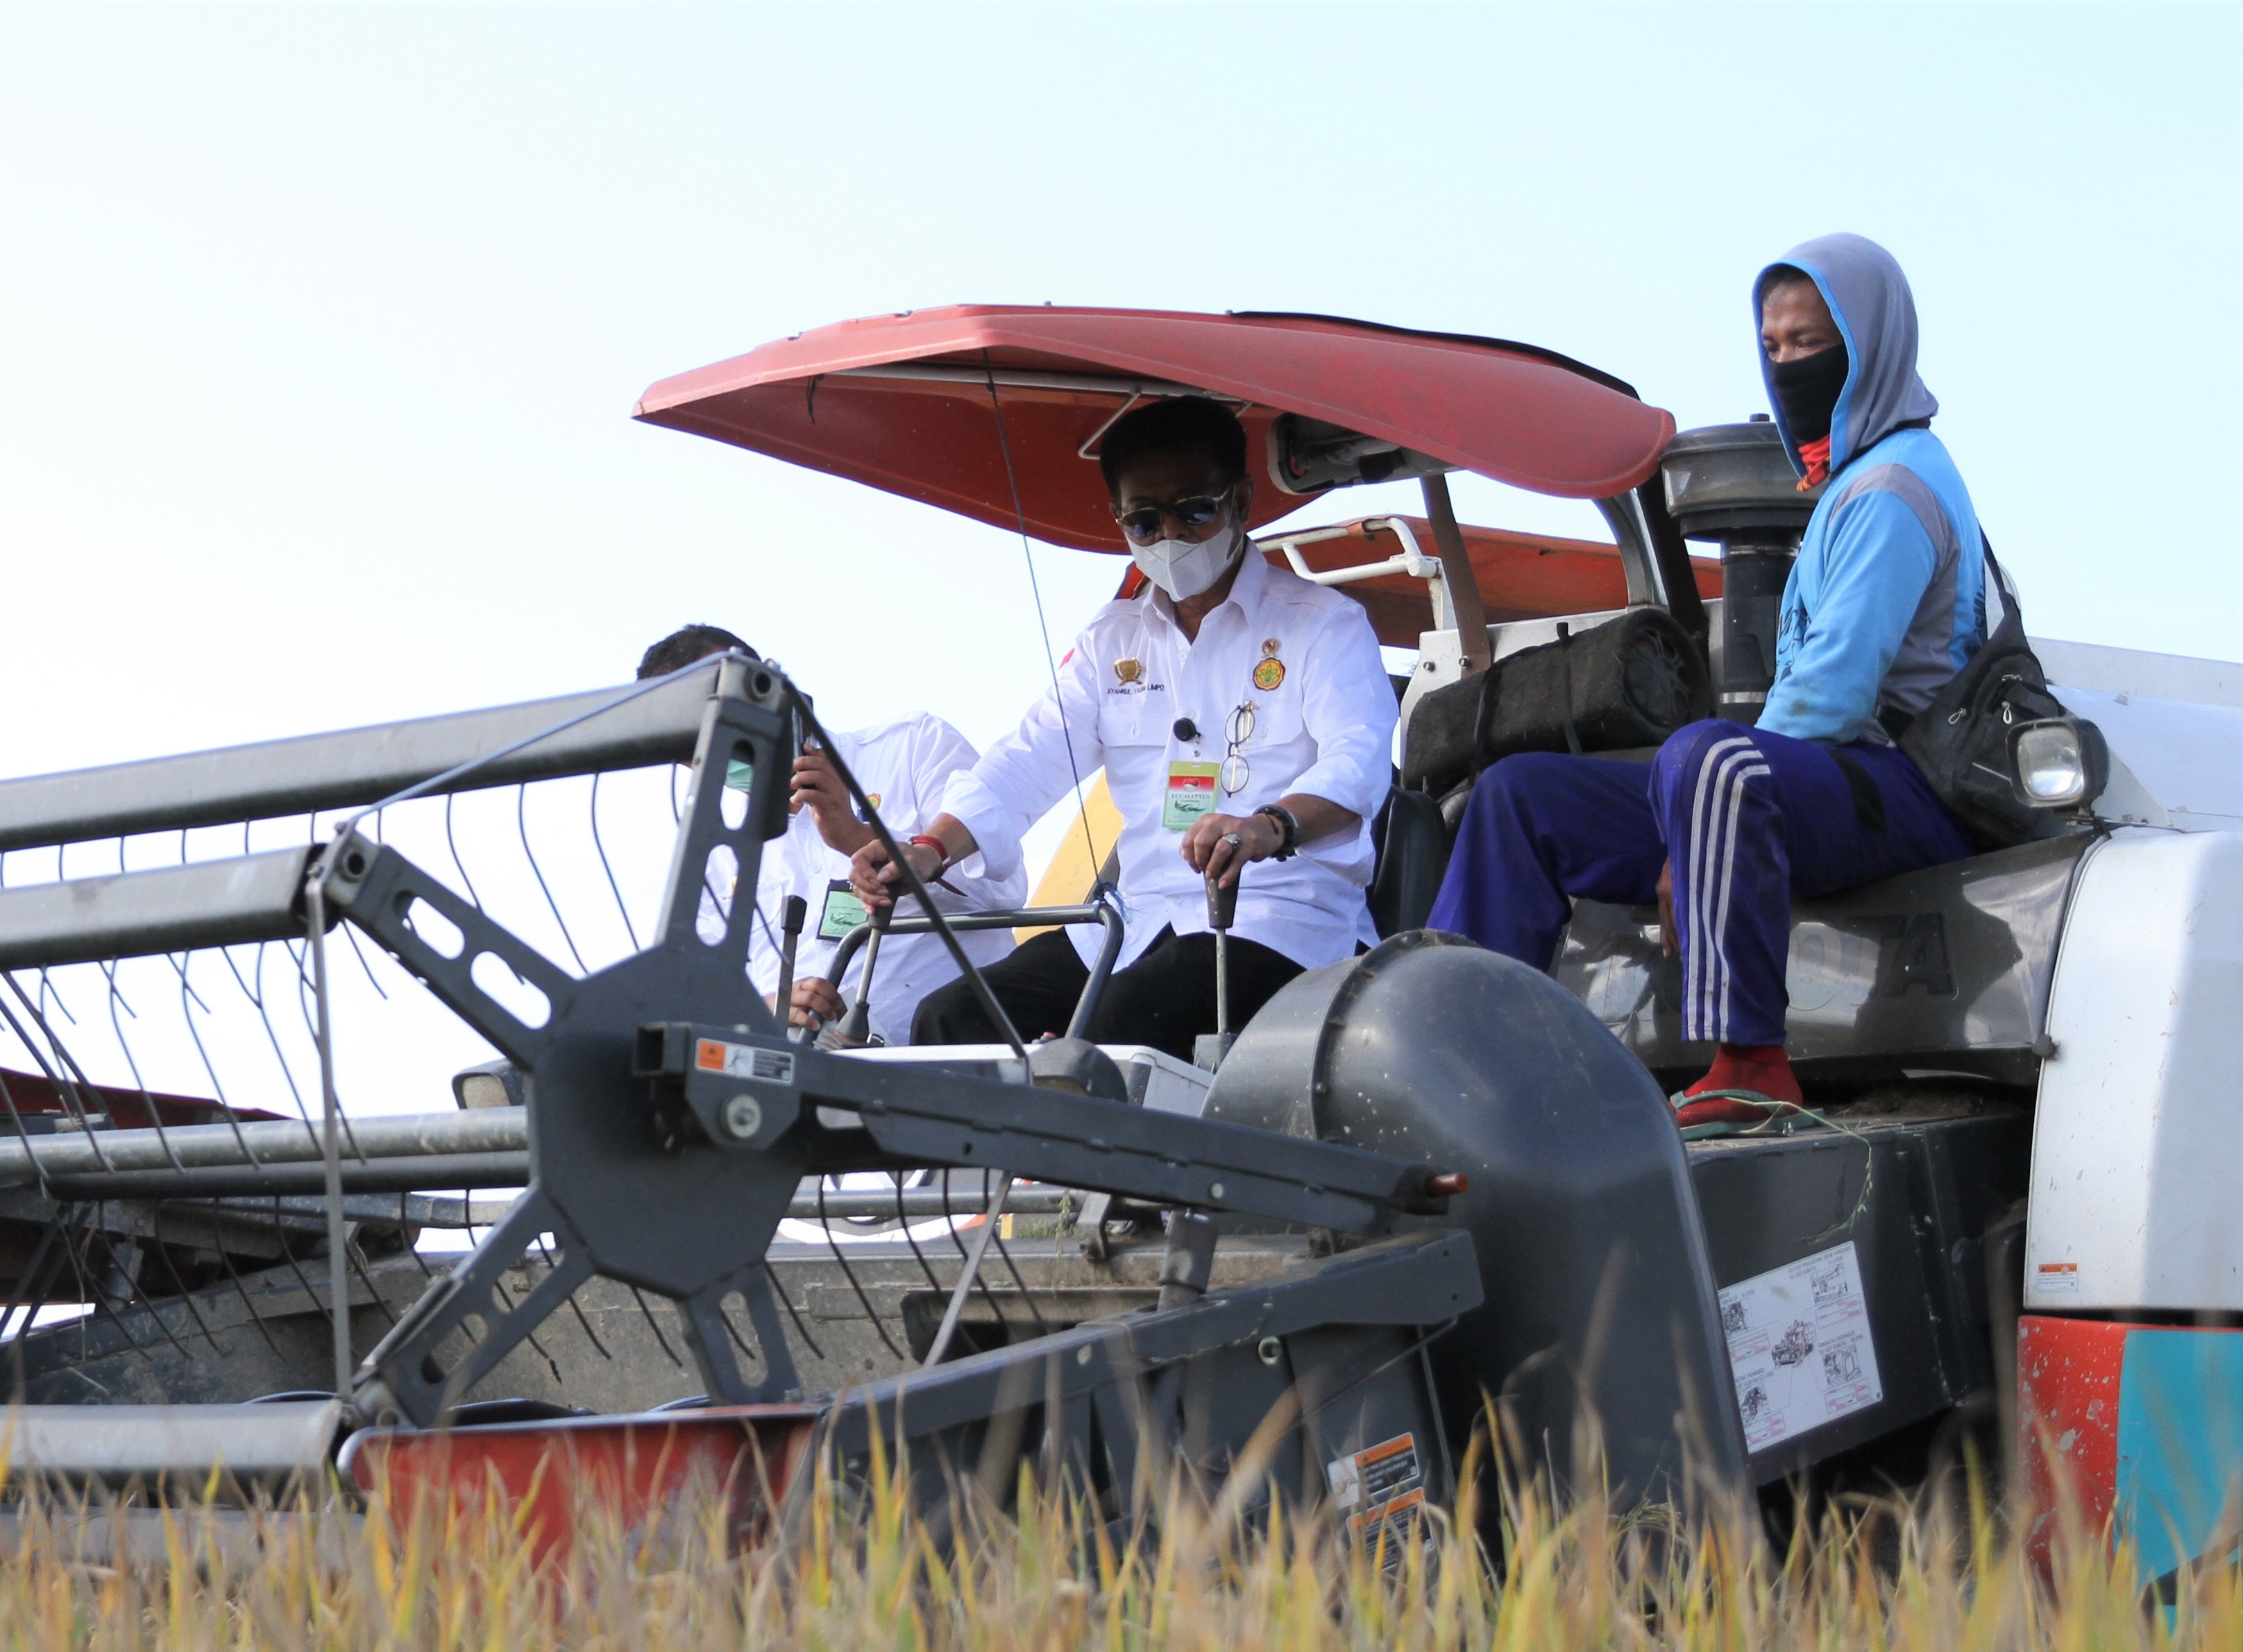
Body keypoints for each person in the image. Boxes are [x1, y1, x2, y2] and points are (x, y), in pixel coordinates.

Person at [1425, 235, 1981, 1129]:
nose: (1790, 364)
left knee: (1711, 760)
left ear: (1871, 346)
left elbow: (1834, 694)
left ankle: (1749, 1059)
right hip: (1818, 780)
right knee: (1519, 795)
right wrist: (1691, 823)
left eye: (1812, 343)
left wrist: (1696, 831)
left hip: (1902, 786)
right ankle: (1458, 1055)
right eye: (1775, 347)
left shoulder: (1893, 487)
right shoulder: (1841, 485)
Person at [848, 397, 1398, 1057]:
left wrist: (1266, 826)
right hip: (1132, 923)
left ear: (1242, 501)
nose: (1170, 536)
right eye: (1143, 521)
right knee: (952, 1019)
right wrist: (929, 849)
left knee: (1120, 1023)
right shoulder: (1111, 640)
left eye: (1194, 511)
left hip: (1280, 919)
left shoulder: (1323, 622)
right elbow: (1027, 758)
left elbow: (1358, 761)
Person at [637, 624, 1022, 1039]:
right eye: (691, 745)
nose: (714, 748)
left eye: (722, 722)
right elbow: (691, 986)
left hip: (953, 1053)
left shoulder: (910, 746)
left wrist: (857, 836)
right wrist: (765, 1006)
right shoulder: (715, 853)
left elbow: (1004, 888)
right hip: (798, 1076)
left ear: (766, 686)